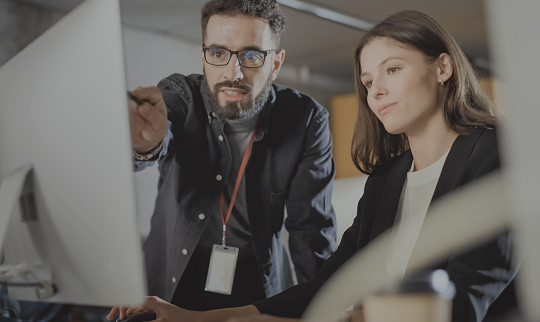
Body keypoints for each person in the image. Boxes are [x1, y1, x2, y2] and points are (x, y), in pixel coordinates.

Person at [109, 9, 516, 322]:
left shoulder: (497, 156)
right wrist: (188, 318)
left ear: (443, 68)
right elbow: (326, 288)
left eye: (392, 69)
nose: (378, 92)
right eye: (369, 82)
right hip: (176, 280)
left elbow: (465, 301)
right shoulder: (386, 182)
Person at [122, 0, 337, 313]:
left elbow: (311, 233)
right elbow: (153, 141)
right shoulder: (180, 96)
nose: (233, 72)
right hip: (174, 276)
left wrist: (325, 311)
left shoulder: (306, 121)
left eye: (251, 55)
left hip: (258, 282)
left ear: (275, 64)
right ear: (203, 56)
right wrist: (144, 144)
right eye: (219, 53)